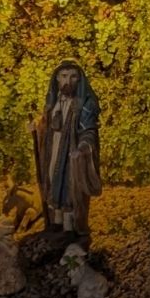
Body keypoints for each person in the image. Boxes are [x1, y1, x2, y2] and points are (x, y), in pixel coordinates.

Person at [33, 62, 102, 239]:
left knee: (68, 187)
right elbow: (48, 123)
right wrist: (37, 127)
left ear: (79, 79)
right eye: (64, 76)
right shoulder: (54, 100)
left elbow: (88, 131)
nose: (67, 81)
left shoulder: (85, 104)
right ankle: (56, 223)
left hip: (70, 151)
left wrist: (82, 148)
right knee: (52, 180)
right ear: (57, 78)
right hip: (53, 150)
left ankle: (70, 228)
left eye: (72, 77)